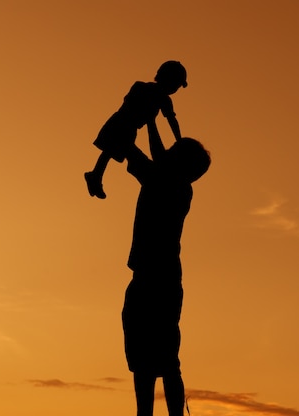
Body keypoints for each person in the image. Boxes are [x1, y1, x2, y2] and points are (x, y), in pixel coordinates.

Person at [121, 119, 210, 416]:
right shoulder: (170, 182)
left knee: (160, 358)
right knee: (152, 357)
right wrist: (149, 121)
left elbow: (151, 156)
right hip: (161, 277)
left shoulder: (169, 183)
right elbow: (146, 156)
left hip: (155, 278)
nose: (167, 152)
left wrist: (148, 121)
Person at [84, 61, 188, 199]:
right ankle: (95, 176)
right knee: (111, 151)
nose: (175, 89)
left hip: (130, 127)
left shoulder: (162, 99)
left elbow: (171, 120)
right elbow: (130, 104)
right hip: (122, 122)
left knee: (112, 152)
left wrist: (179, 139)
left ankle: (95, 175)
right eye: (175, 84)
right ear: (166, 78)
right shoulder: (142, 88)